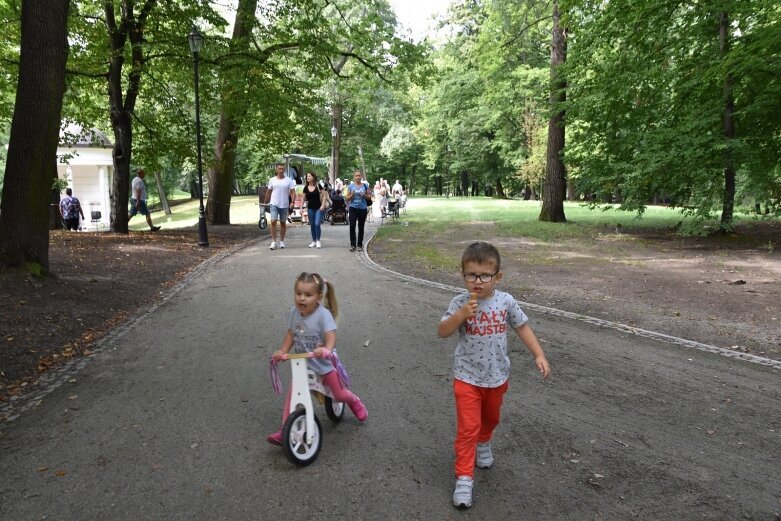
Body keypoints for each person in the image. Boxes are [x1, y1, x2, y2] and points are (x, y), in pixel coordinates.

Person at [437, 242, 551, 509]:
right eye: (471, 275)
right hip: (466, 377)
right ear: (462, 274)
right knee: (467, 429)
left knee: (491, 419)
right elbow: (442, 331)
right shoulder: (459, 302)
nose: (477, 281)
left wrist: (539, 354)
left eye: (484, 276)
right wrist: (461, 315)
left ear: (497, 276)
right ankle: (464, 477)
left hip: (497, 376)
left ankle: (485, 441)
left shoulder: (505, 301)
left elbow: (522, 327)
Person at [267, 272, 368, 445]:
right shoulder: (293, 313)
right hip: (303, 364)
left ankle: (353, 400)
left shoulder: (323, 315)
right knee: (292, 396)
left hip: (324, 363)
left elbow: (331, 336)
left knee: (338, 393)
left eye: (308, 295)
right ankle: (285, 430)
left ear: (319, 297)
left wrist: (327, 349)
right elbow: (291, 334)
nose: (302, 299)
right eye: (298, 293)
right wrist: (282, 352)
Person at [266, 163, 297, 250]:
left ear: (285, 170)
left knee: (283, 223)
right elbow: (268, 191)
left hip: (284, 204)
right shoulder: (272, 180)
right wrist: (265, 202)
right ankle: (273, 242)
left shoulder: (288, 180)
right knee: (273, 221)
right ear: (276, 170)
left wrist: (293, 202)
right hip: (274, 203)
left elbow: (292, 192)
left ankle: (282, 241)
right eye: (279, 169)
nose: (281, 170)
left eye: (282, 169)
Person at [345, 170, 372, 252]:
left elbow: (369, 197)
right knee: (352, 226)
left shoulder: (365, 185)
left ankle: (360, 244)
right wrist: (352, 195)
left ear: (361, 177)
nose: (358, 177)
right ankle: (353, 245)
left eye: (359, 175)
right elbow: (347, 199)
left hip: (362, 208)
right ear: (354, 177)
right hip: (353, 208)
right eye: (356, 175)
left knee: (361, 227)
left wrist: (364, 195)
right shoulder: (350, 186)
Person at [303, 172, 328, 249]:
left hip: (318, 208)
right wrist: (301, 208)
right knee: (312, 225)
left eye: (310, 176)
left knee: (317, 224)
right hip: (310, 208)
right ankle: (313, 241)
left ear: (313, 177)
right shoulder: (305, 188)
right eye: (307, 176)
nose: (308, 177)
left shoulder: (318, 186)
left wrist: (323, 205)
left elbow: (325, 195)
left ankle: (318, 241)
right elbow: (303, 199)